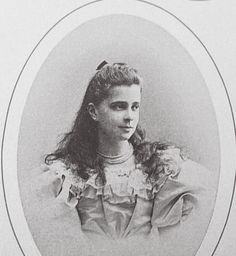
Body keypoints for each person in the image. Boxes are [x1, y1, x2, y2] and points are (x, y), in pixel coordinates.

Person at [41, 61, 215, 241]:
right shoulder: (69, 172)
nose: (129, 117)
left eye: (135, 107)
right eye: (119, 106)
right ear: (94, 112)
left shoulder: (157, 167)